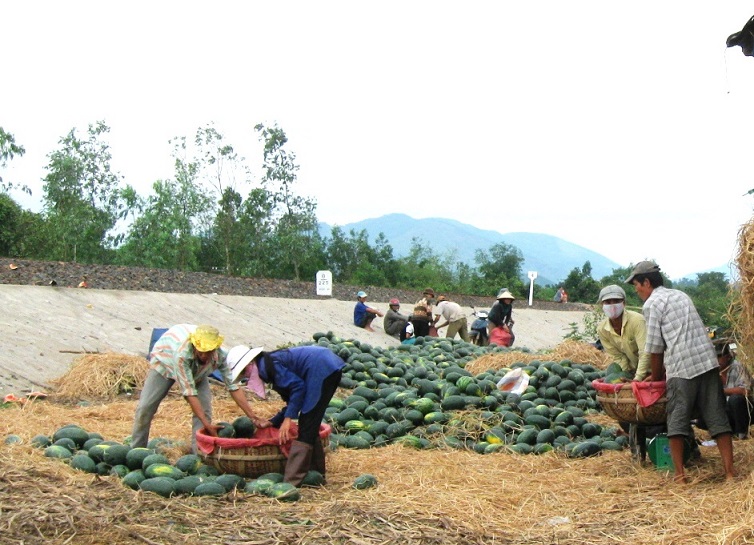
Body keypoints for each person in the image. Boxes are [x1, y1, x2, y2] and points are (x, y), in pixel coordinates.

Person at [626, 260, 735, 483]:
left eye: (637, 285)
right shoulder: (680, 295)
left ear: (647, 282)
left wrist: (655, 380)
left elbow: (656, 348)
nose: (636, 290)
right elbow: (681, 335)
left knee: (677, 421)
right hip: (706, 361)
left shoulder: (651, 304)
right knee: (717, 418)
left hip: (682, 368)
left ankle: (680, 476)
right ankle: (730, 474)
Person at [131, 324, 264, 454]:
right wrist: (207, 424)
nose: (205, 356)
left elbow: (233, 386)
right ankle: (137, 450)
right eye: (201, 352)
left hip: (198, 372)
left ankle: (199, 454)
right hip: (165, 364)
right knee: (145, 408)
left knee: (204, 412)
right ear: (194, 346)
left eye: (208, 352)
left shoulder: (222, 355)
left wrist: (252, 416)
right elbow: (189, 393)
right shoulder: (182, 354)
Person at [226, 344, 345, 486]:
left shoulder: (269, 367)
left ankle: (291, 482)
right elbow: (292, 400)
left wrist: (288, 419)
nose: (245, 376)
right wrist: (273, 421)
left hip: (322, 368)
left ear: (250, 363)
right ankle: (316, 474)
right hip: (326, 366)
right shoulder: (266, 366)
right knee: (310, 423)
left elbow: (298, 388)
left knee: (308, 422)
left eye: (244, 372)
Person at [597, 284, 651, 381]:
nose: (612, 306)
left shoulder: (637, 321)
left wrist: (637, 378)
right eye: (608, 302)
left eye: (617, 301)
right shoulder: (602, 329)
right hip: (633, 372)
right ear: (602, 305)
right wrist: (623, 375)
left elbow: (645, 352)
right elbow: (618, 357)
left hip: (653, 371)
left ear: (624, 303)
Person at [710, 332, 752, 440]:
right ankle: (725, 433)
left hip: (746, 409)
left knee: (735, 399)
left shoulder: (738, 367)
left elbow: (745, 391)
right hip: (726, 410)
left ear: (728, 356)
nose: (716, 360)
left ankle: (741, 434)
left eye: (719, 356)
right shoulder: (713, 373)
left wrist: (721, 391)